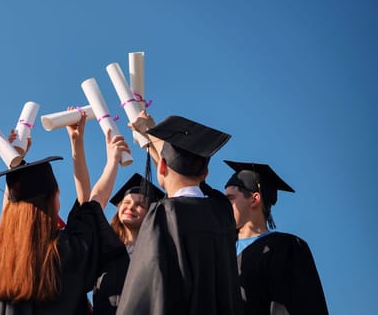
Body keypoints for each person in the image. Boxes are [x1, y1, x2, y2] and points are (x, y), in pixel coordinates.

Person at [0, 128, 131, 315]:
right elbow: (92, 205)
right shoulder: (68, 249)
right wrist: (111, 161)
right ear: (54, 199)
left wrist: (14, 158)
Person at [117, 113, 243, 315]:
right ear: (206, 174)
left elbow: (146, 286)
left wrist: (154, 134)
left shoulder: (163, 214)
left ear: (162, 167)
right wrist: (154, 133)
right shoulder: (222, 212)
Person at [224, 160, 328, 314]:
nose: (224, 205)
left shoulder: (284, 249)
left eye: (230, 199)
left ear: (254, 199)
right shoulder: (220, 250)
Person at [92, 173, 164, 315]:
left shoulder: (158, 252)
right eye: (126, 203)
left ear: (150, 213)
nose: (131, 208)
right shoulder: (105, 249)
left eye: (140, 205)